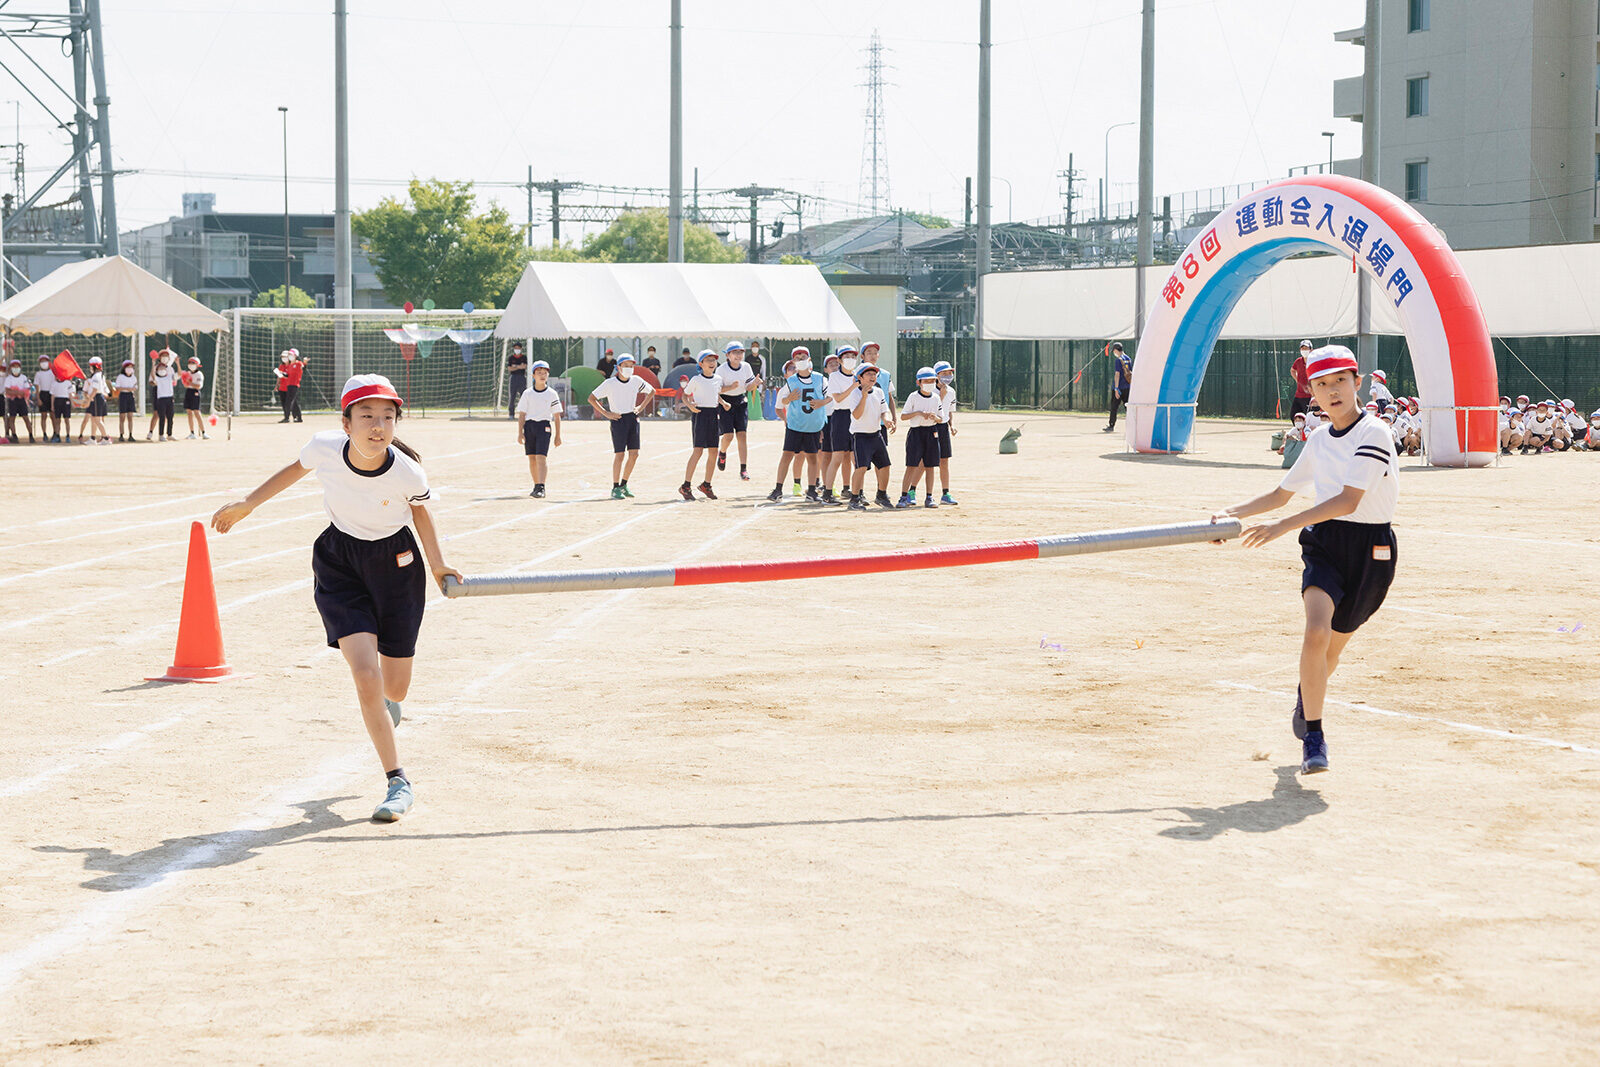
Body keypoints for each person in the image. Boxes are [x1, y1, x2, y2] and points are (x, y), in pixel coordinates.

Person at [211, 374, 461, 823]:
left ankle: (388, 705)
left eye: (387, 416)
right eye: (366, 416)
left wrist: (439, 564)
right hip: (340, 562)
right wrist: (249, 503)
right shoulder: (325, 447)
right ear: (346, 423)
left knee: (394, 687)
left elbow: (421, 512)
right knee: (366, 676)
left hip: (397, 566)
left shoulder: (407, 471)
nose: (377, 425)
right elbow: (295, 469)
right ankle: (398, 780)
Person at [1212, 345, 1398, 775]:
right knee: (1316, 633)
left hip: (1373, 550)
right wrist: (1229, 515)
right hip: (1325, 543)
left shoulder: (1376, 433)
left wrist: (1280, 527)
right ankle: (1314, 737)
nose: (1332, 391)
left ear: (1358, 382)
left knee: (1332, 649)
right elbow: (1281, 494)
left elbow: (1349, 501)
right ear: (1310, 392)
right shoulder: (1317, 439)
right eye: (1321, 384)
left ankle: (1305, 698)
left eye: (1340, 381)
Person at [768, 346, 829, 503]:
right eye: (797, 357)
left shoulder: (820, 378)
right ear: (794, 362)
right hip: (795, 425)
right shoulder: (791, 381)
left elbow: (831, 396)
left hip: (814, 425)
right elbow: (781, 402)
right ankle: (778, 489)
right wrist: (789, 399)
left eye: (803, 357)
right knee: (787, 455)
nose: (801, 359)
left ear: (809, 360)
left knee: (812, 458)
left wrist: (822, 402)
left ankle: (811, 490)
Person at [588, 352, 654, 499]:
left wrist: (640, 407)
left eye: (631, 365)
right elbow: (592, 398)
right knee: (620, 454)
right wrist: (606, 413)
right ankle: (615, 486)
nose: (629, 368)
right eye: (626, 365)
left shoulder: (636, 380)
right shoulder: (610, 383)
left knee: (634, 454)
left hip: (632, 417)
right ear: (618, 367)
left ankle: (624, 484)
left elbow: (651, 392)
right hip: (618, 419)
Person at [845, 361, 895, 511]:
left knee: (885, 466)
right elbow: (857, 415)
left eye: (874, 374)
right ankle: (854, 499)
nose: (872, 377)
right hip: (861, 436)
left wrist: (886, 419)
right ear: (860, 377)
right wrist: (864, 396)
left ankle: (881, 495)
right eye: (868, 374)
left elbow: (883, 410)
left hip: (876, 435)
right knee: (861, 468)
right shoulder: (854, 394)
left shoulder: (879, 392)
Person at [680, 349, 728, 501]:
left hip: (713, 415)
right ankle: (685, 486)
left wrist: (723, 402)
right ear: (701, 363)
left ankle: (706, 485)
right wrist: (690, 407)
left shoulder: (718, 379)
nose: (712, 363)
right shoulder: (696, 379)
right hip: (700, 415)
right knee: (698, 451)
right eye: (708, 360)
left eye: (713, 360)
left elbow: (715, 393)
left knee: (714, 451)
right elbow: (684, 395)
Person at [896, 367, 944, 508]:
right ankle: (904, 496)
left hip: (931, 432)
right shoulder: (913, 397)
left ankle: (929, 496)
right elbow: (904, 416)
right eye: (926, 380)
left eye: (932, 380)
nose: (929, 383)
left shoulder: (936, 398)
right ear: (919, 382)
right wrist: (917, 413)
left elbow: (941, 418)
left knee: (930, 466)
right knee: (911, 465)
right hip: (916, 433)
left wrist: (935, 417)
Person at [515, 359, 562, 497]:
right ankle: (536, 486)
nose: (542, 375)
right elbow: (522, 414)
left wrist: (558, 435)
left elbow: (557, 416)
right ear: (533, 376)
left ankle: (542, 486)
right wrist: (520, 433)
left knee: (541, 457)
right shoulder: (527, 393)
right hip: (530, 427)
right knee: (532, 458)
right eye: (539, 373)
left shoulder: (552, 394)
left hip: (544, 427)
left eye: (545, 373)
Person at [715, 340, 761, 481]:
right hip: (725, 403)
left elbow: (748, 388)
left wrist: (755, 383)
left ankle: (743, 469)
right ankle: (722, 453)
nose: (738, 355)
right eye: (735, 352)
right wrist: (730, 387)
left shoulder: (746, 367)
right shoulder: (721, 370)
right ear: (727, 355)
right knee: (728, 436)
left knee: (742, 435)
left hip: (740, 402)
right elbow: (716, 390)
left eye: (740, 352)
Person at [821, 345, 860, 504]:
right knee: (837, 456)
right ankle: (827, 493)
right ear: (839, 360)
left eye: (852, 356)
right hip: (841, 417)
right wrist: (854, 385)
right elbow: (838, 398)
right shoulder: (835, 376)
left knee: (855, 457)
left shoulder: (859, 374)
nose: (850, 359)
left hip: (856, 416)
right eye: (846, 356)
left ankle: (857, 492)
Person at [932, 360, 959, 506]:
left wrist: (952, 425)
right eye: (944, 373)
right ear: (936, 375)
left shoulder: (951, 391)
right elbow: (935, 410)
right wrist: (941, 395)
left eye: (949, 373)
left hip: (943, 428)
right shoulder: (930, 390)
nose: (947, 376)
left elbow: (949, 411)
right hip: (931, 427)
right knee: (924, 462)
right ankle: (911, 492)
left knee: (944, 461)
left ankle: (945, 493)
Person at [78, 356, 110, 444]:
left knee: (97, 420)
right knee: (93, 419)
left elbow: (95, 390)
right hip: (96, 398)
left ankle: (105, 438)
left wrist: (88, 400)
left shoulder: (96, 376)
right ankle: (92, 438)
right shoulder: (98, 376)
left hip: (96, 398)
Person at [3, 357, 35, 443]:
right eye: (14, 366)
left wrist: (15, 392)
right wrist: (18, 392)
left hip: (21, 401)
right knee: (12, 418)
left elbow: (26, 390)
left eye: (17, 366)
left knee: (26, 418)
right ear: (10, 368)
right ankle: (14, 435)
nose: (16, 368)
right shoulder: (9, 378)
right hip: (12, 401)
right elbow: (7, 390)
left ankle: (31, 435)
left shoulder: (23, 377)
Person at [148, 350, 178, 441]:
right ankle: (151, 431)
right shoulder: (156, 368)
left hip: (168, 394)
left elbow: (175, 378)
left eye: (166, 356)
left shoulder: (170, 368)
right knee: (157, 413)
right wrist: (157, 383)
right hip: (158, 393)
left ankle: (168, 433)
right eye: (163, 356)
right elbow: (151, 380)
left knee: (168, 415)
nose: (165, 358)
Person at [1105, 341, 1132, 432]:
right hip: (1127, 387)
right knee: (1128, 407)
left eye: (1114, 351)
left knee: (1114, 407)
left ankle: (1111, 425)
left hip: (1119, 387)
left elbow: (1117, 374)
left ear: (1116, 350)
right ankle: (1132, 426)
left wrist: (1116, 388)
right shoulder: (1128, 358)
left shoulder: (1118, 360)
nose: (1114, 353)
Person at [182, 356, 208, 439]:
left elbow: (198, 386)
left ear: (197, 365)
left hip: (195, 393)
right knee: (189, 412)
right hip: (188, 392)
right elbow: (186, 385)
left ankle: (204, 432)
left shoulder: (199, 374)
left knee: (197, 412)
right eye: (190, 363)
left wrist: (190, 382)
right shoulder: (188, 373)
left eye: (193, 363)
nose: (191, 365)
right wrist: (186, 382)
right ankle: (192, 433)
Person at [113, 358, 138, 443]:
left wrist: (132, 389)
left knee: (130, 416)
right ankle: (121, 434)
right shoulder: (120, 377)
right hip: (123, 395)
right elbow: (117, 387)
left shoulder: (134, 377)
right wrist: (127, 388)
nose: (130, 368)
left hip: (130, 396)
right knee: (122, 416)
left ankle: (131, 434)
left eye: (131, 367)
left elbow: (135, 386)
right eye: (128, 367)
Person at [33, 356, 58, 441]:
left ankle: (55, 433)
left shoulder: (52, 372)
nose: (44, 363)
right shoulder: (38, 374)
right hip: (43, 394)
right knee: (43, 415)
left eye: (45, 361)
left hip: (51, 394)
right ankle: (44, 434)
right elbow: (37, 387)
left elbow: (55, 383)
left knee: (53, 415)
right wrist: (38, 398)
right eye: (42, 361)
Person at [1288, 340, 1314, 418]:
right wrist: (1297, 379)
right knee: (1293, 415)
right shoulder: (1298, 361)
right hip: (1298, 395)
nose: (1304, 350)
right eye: (1302, 349)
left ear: (1311, 349)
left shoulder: (1313, 361)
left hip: (1310, 396)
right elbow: (1292, 370)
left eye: (1306, 348)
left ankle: (1307, 430)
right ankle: (1299, 430)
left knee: (1308, 416)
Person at [505, 342, 528, 420]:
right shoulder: (511, 358)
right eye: (515, 348)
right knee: (512, 396)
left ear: (521, 349)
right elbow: (509, 368)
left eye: (518, 348)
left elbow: (524, 366)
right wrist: (519, 366)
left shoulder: (524, 357)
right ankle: (511, 414)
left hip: (522, 377)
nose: (517, 350)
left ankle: (524, 414)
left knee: (523, 396)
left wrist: (515, 366)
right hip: (513, 377)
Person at [283, 348, 307, 422]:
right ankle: (299, 418)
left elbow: (303, 368)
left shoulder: (298, 363)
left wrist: (305, 362)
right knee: (294, 402)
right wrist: (281, 373)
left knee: (289, 401)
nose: (289, 356)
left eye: (291, 354)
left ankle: (287, 417)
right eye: (289, 354)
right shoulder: (290, 365)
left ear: (295, 355)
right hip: (289, 385)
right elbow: (288, 375)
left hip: (294, 385)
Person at [273, 351, 293, 422]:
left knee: (290, 403)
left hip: (290, 387)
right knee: (284, 403)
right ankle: (286, 417)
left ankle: (292, 416)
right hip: (282, 388)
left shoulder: (291, 365)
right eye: (282, 357)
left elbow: (289, 376)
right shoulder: (281, 366)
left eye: (285, 357)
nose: (283, 358)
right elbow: (279, 377)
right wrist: (277, 386)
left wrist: (284, 375)